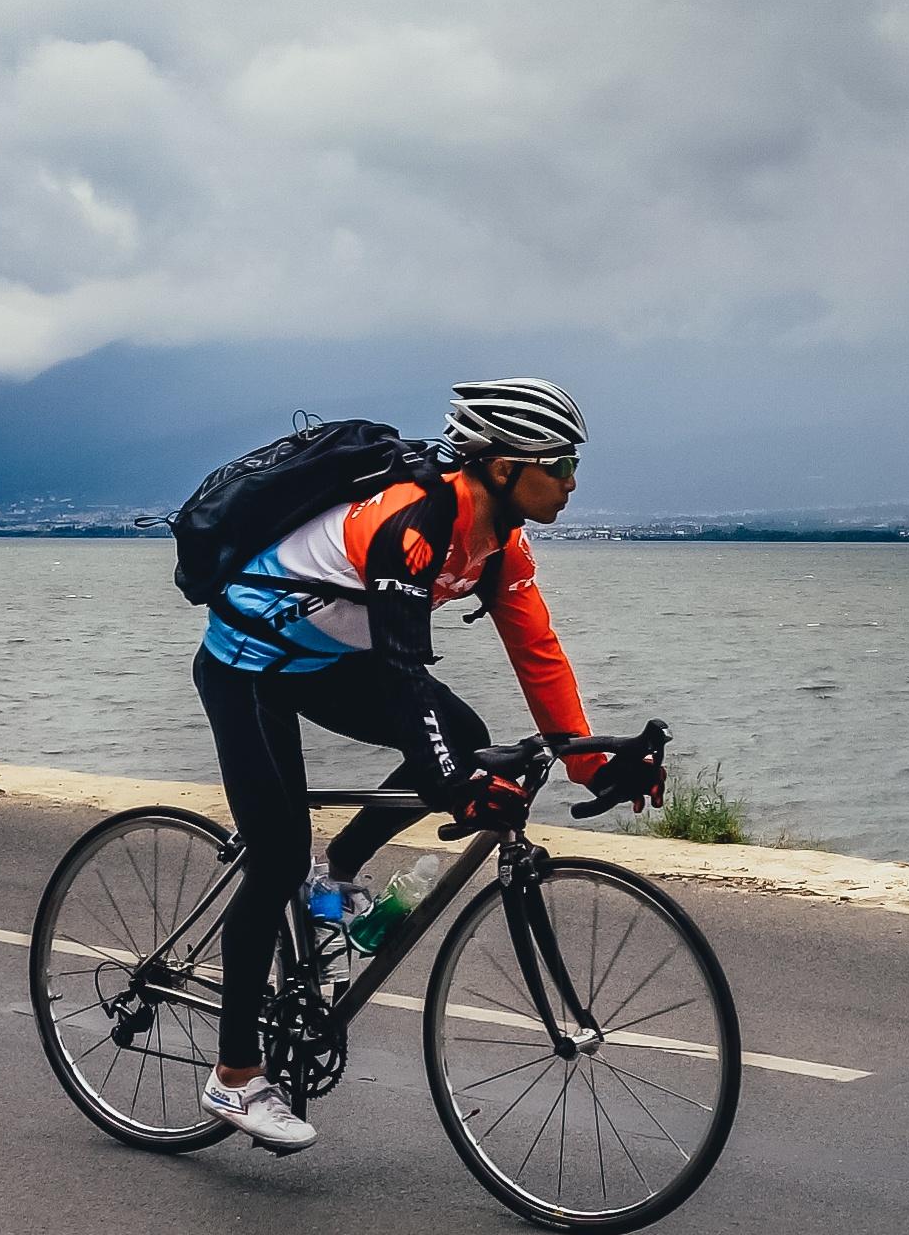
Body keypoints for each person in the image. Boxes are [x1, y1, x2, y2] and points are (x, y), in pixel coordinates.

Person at [190, 376, 664, 1151]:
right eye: (559, 462)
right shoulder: (410, 524)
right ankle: (235, 1075)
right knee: (274, 854)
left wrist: (590, 764)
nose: (573, 480)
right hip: (249, 665)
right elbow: (404, 673)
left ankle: (335, 873)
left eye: (576, 462)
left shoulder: (499, 541)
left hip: (328, 662)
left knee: (462, 733)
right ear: (503, 465)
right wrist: (455, 785)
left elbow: (537, 651)